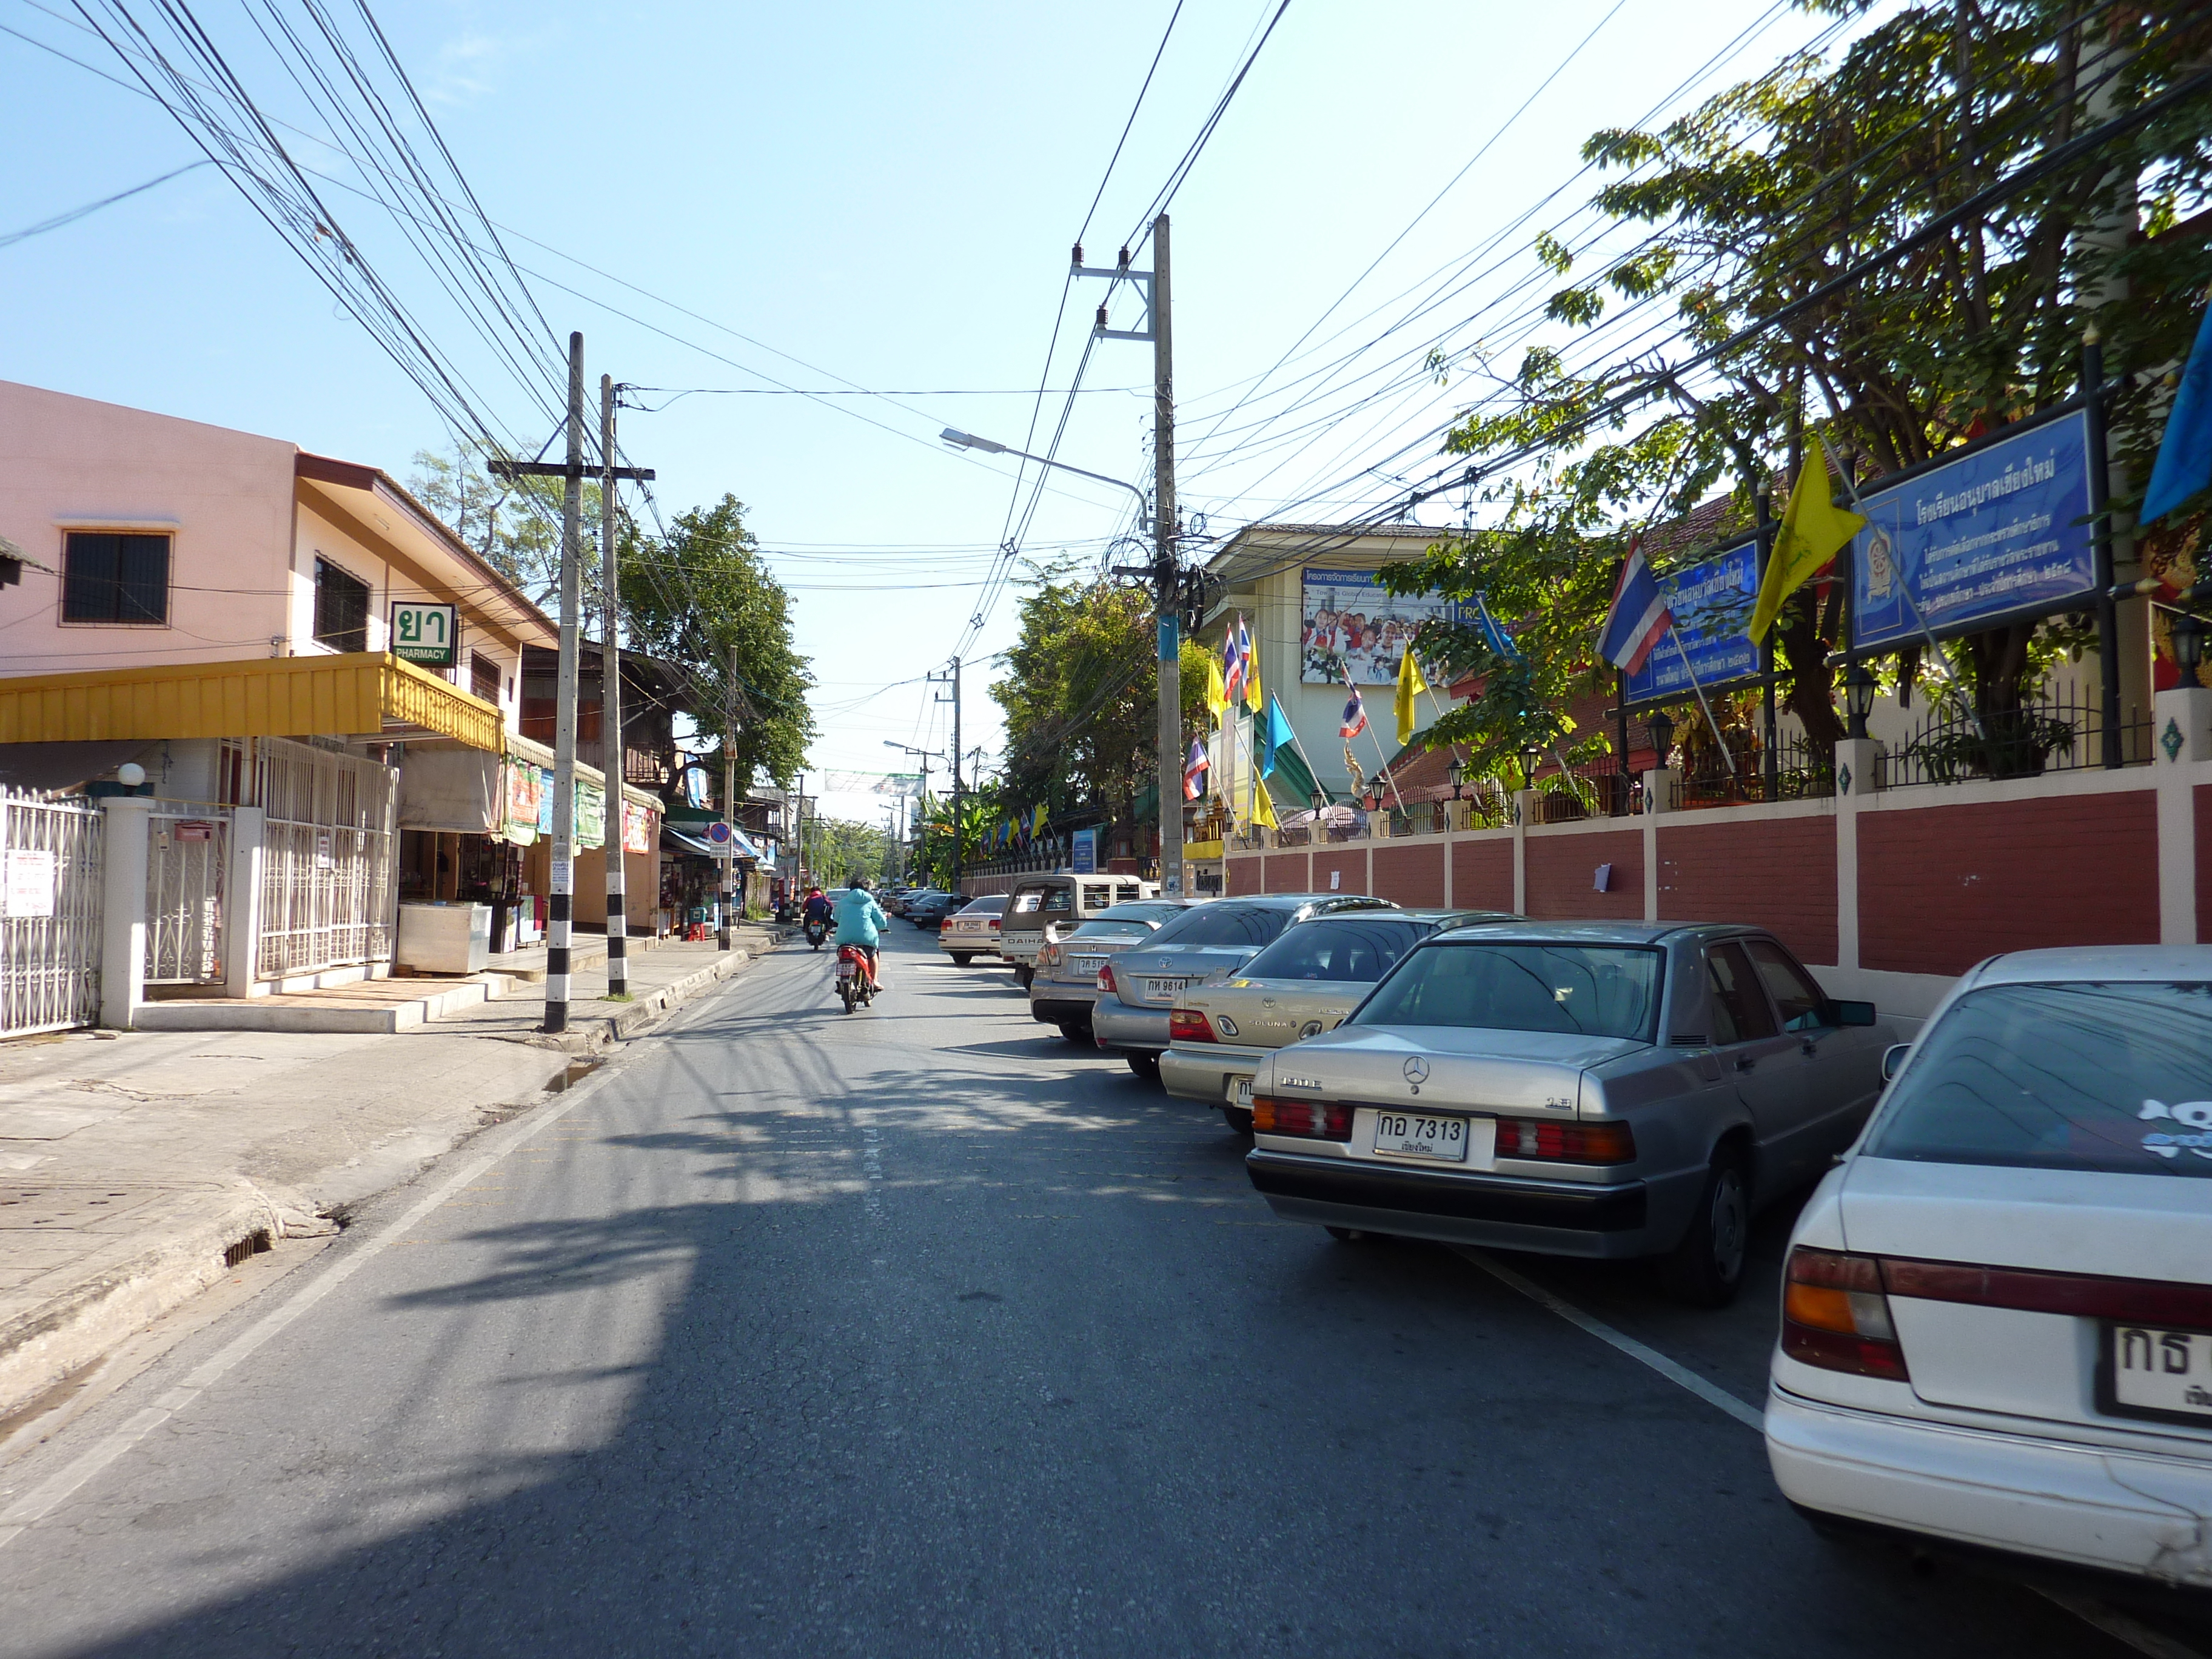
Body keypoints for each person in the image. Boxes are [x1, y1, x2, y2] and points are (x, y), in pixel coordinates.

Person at [833, 877, 888, 988]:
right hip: (866, 939)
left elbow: (836, 919)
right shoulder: (870, 902)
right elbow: (882, 923)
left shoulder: (843, 902)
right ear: (867, 889)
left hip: (844, 939)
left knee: (843, 958)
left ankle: (843, 979)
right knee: (872, 955)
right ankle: (875, 980)